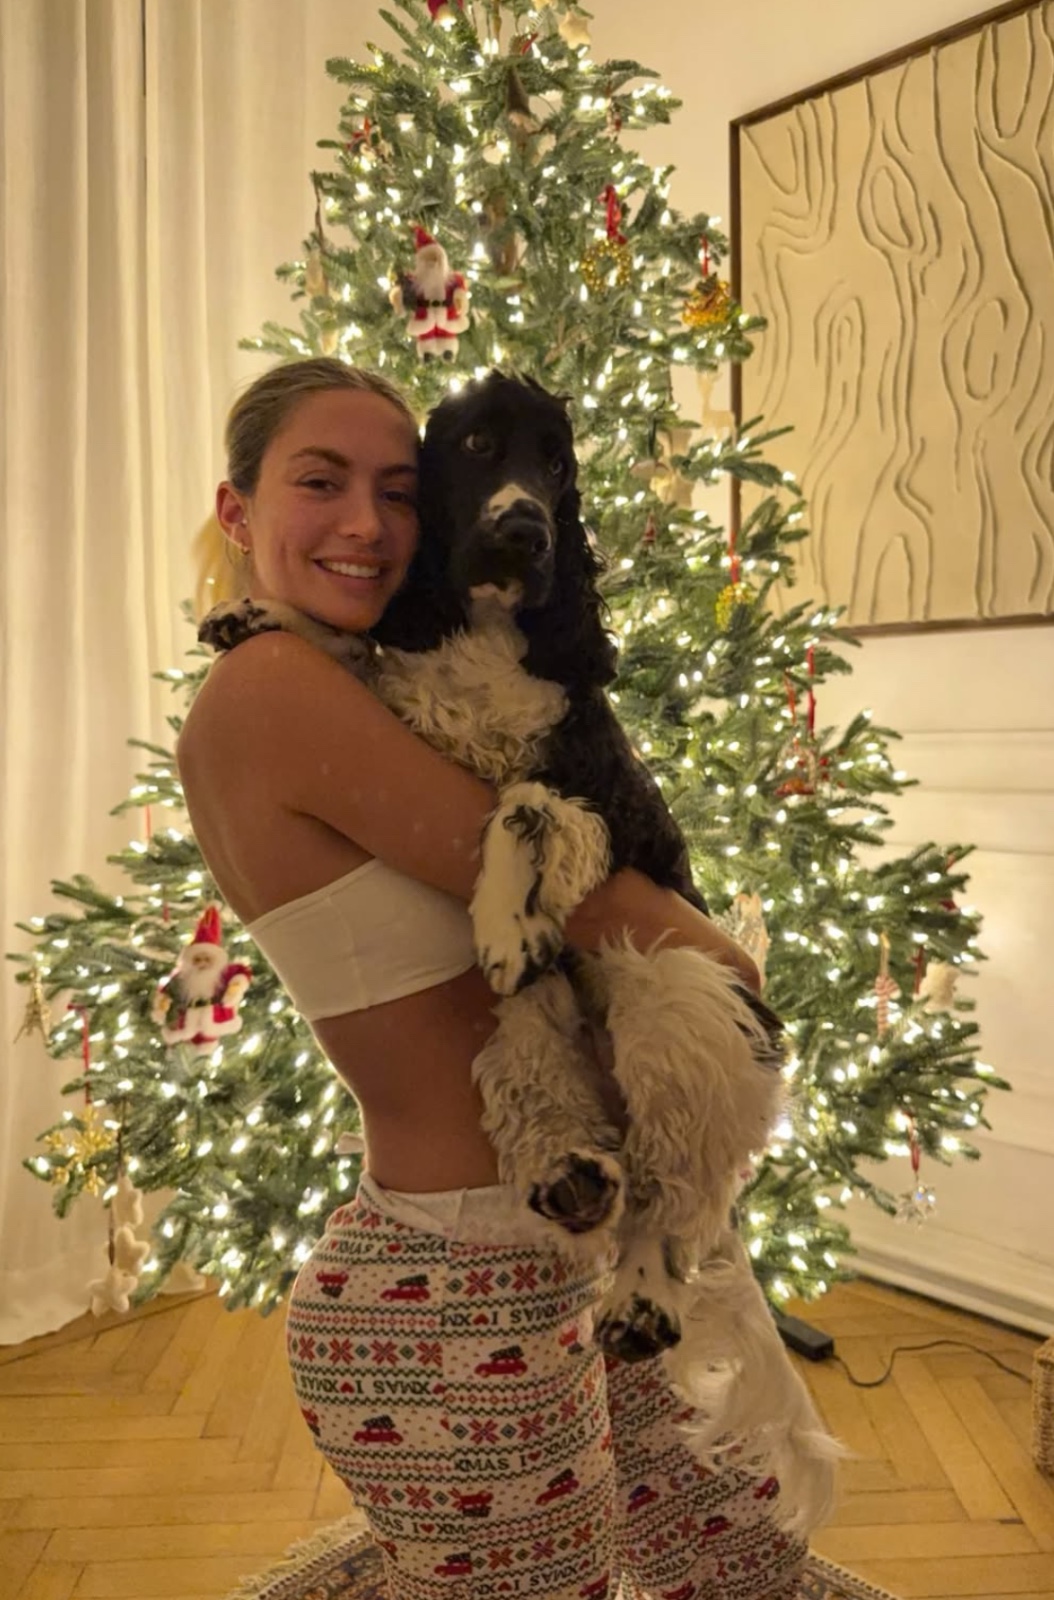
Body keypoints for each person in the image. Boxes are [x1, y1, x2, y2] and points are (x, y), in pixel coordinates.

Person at [177, 356, 809, 1600]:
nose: (368, 525)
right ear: (238, 510)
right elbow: (674, 943)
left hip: (560, 1247)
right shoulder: (271, 689)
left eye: (398, 490)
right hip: (458, 1291)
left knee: (736, 1561)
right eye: (321, 482)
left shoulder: (351, 679)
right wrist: (718, 976)